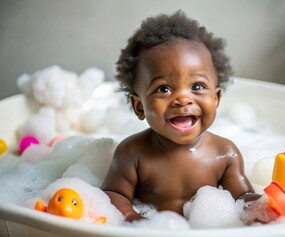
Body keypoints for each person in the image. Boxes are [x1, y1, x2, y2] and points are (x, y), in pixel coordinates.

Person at [102, 10, 263, 222]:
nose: (183, 99)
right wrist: (134, 219)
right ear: (139, 106)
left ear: (216, 99)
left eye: (197, 86)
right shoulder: (132, 154)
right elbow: (114, 195)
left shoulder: (225, 154)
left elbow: (243, 198)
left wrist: (265, 208)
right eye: (164, 89)